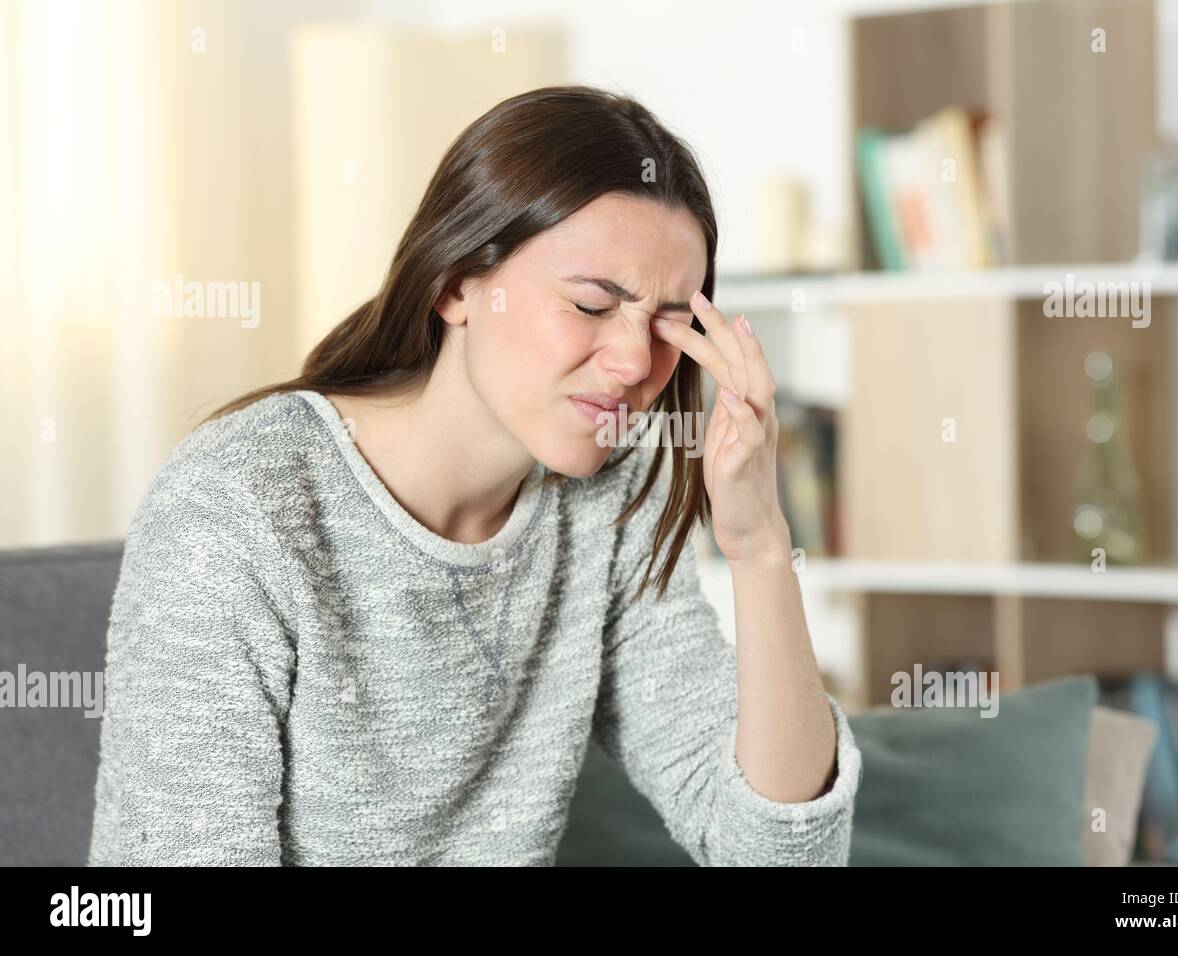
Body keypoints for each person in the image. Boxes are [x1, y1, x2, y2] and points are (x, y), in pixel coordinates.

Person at [88, 84, 862, 866]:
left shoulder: (614, 497)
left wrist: (760, 545)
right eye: (594, 305)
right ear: (458, 283)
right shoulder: (238, 507)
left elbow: (779, 856)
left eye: (668, 324)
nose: (635, 364)